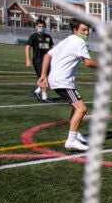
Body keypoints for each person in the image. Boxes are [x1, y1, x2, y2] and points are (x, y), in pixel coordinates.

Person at [37, 19, 99, 152]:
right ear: (75, 30)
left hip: (57, 79)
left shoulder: (67, 40)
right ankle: (71, 140)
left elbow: (47, 55)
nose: (87, 33)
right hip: (62, 81)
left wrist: (43, 75)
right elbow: (88, 62)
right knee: (81, 109)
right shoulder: (79, 42)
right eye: (83, 30)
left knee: (75, 108)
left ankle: (75, 134)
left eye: (88, 30)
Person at [26, 19, 54, 102]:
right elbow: (27, 47)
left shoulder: (48, 37)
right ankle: (44, 96)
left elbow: (52, 48)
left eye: (42, 26)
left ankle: (37, 91)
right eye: (39, 26)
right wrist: (27, 60)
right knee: (44, 76)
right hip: (38, 60)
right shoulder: (33, 36)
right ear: (36, 27)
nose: (41, 28)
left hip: (48, 60)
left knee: (49, 77)